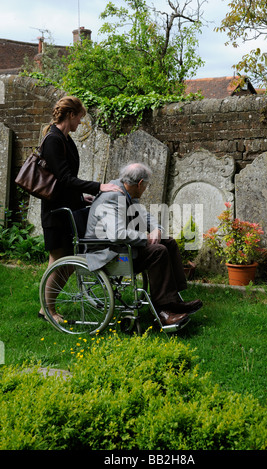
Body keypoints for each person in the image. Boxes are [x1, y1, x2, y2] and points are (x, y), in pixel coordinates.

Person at [85, 162, 203, 326]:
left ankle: (173, 301)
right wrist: (146, 238)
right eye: (146, 186)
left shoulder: (126, 191)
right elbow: (117, 234)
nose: (145, 189)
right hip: (108, 254)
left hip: (121, 248)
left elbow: (144, 216)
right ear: (140, 183)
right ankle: (163, 311)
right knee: (158, 251)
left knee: (168, 242)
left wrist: (157, 229)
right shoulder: (112, 197)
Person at [39, 95, 120, 323]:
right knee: (58, 261)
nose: (80, 124)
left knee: (70, 261)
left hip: (67, 207)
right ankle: (48, 311)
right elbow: (64, 178)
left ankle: (48, 307)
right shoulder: (53, 140)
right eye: (79, 119)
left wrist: (81, 196)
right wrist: (98, 186)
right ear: (71, 115)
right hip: (56, 212)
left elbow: (66, 179)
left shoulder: (65, 139)